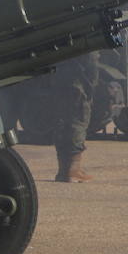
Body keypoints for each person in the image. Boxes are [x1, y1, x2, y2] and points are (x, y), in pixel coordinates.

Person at [52, 55, 98, 183]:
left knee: (61, 123)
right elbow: (92, 64)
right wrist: (91, 88)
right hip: (78, 86)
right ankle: (72, 170)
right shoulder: (85, 39)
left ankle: (62, 170)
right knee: (78, 122)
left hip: (59, 81)